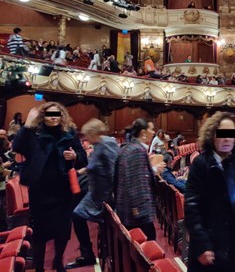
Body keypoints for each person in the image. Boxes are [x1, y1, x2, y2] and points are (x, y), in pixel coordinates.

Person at [12, 103, 87, 272]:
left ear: (62, 116)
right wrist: (27, 125)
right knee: (40, 232)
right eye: (49, 114)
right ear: (43, 117)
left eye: (57, 114)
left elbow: (83, 158)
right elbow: (16, 146)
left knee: (62, 230)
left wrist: (75, 155)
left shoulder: (70, 134)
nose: (54, 117)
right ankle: (39, 267)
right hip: (40, 191)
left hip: (63, 191)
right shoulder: (34, 134)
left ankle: (57, 262)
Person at [184, 112, 235, 272]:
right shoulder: (200, 164)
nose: (226, 139)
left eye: (230, 134)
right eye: (222, 134)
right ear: (212, 136)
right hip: (210, 244)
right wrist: (202, 245)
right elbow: (192, 207)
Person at [67, 119, 119, 269]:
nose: (85, 138)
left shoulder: (106, 144)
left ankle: (92, 253)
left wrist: (113, 196)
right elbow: (96, 165)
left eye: (86, 134)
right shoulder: (100, 144)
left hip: (103, 195)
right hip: (96, 192)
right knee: (77, 216)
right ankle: (91, 253)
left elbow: (112, 171)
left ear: (93, 133)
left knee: (78, 215)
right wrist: (83, 170)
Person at [114, 118, 165, 240]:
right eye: (151, 129)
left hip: (126, 207)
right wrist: (139, 211)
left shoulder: (127, 147)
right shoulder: (137, 150)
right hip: (136, 212)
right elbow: (135, 183)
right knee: (148, 240)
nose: (153, 132)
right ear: (143, 133)